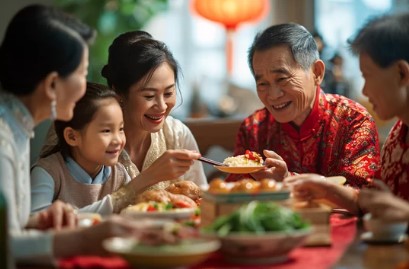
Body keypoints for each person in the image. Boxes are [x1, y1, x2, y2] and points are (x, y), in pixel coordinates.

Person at [0, 4, 146, 264]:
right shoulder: (3, 143)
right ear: (53, 84)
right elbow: (4, 247)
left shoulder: (17, 128)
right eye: (81, 72)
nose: (85, 83)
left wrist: (40, 220)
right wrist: (84, 238)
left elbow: (11, 227)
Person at [285, 12, 409, 220]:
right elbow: (373, 205)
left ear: (402, 73)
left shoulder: (354, 118)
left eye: (367, 76)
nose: (366, 91)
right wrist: (323, 187)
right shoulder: (398, 135)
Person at [225, 23, 380, 188]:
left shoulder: (354, 121)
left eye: (282, 79)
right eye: (263, 83)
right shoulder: (253, 129)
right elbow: (235, 192)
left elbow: (363, 196)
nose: (273, 95)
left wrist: (286, 180)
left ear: (317, 73)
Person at [100, 31, 207, 189]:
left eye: (168, 93)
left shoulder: (176, 135)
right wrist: (150, 177)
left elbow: (201, 198)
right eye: (149, 96)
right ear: (119, 92)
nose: (162, 106)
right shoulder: (92, 136)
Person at [31, 82, 132, 214]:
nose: (118, 140)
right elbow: (36, 220)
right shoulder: (49, 172)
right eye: (106, 131)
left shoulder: (119, 175)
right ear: (72, 136)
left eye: (121, 129)